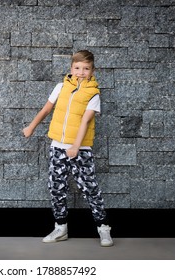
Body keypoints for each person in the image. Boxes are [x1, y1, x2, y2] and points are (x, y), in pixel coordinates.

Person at [22, 50, 113, 247]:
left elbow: (85, 122)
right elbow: (46, 109)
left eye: (86, 68)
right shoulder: (60, 87)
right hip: (57, 147)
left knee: (90, 188)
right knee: (56, 187)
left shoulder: (93, 93)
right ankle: (60, 228)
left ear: (92, 70)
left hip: (81, 149)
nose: (81, 72)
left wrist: (76, 146)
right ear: (71, 68)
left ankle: (103, 228)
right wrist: (31, 126)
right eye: (77, 68)